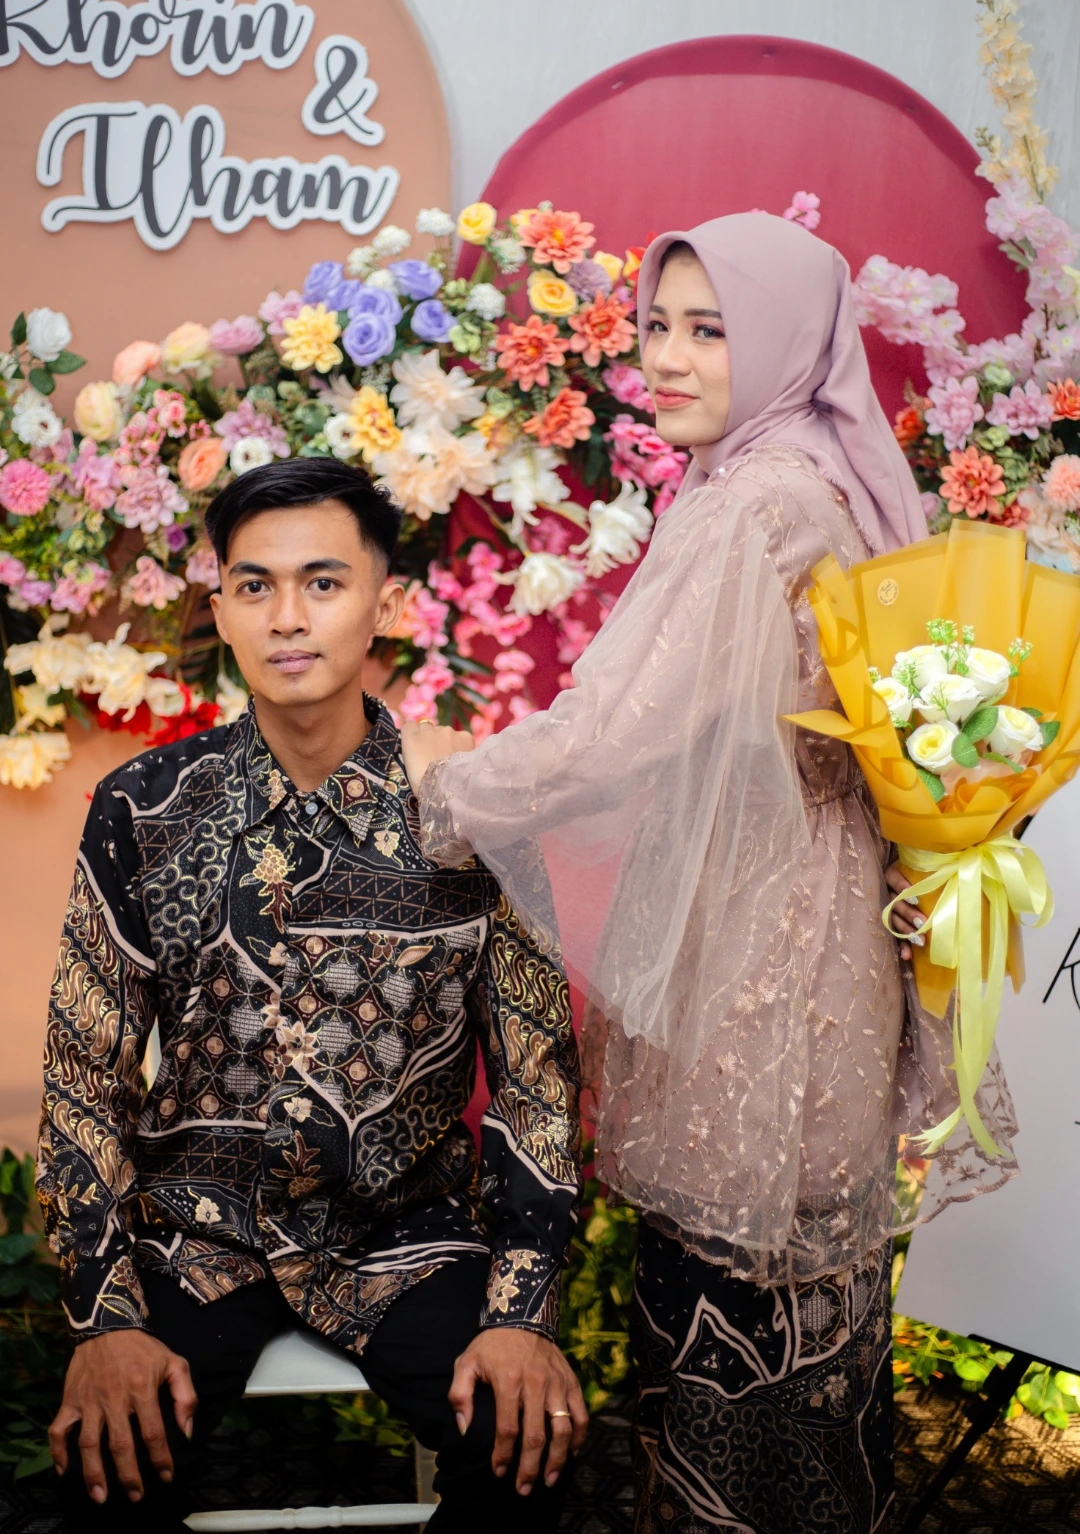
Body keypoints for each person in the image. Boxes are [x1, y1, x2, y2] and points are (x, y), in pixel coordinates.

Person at [400, 215, 1020, 1533]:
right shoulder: (824, 478)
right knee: (805, 1346)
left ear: (786, 341)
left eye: (710, 329)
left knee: (731, 1333)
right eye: (656, 326)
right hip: (822, 930)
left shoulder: (755, 505)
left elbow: (612, 736)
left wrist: (427, 799)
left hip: (762, 962)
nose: (666, 358)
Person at [39, 458, 585, 1533]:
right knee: (105, 1467)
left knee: (527, 1452)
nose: (287, 617)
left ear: (387, 604)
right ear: (221, 611)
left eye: (323, 583)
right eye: (256, 586)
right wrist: (105, 1320)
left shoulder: (471, 811)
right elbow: (83, 1068)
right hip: (195, 1234)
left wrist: (522, 1311)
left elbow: (537, 1078)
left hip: (405, 1235)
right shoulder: (144, 808)